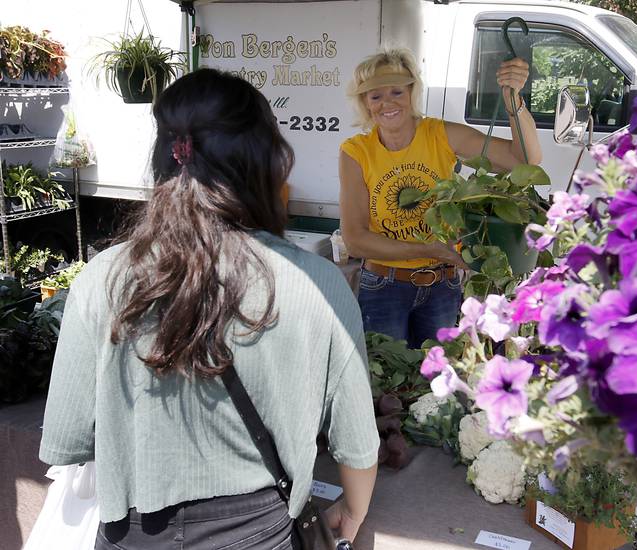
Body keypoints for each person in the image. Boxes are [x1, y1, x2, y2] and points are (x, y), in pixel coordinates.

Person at [39, 68, 379, 549]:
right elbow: (357, 442)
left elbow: (68, 435)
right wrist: (353, 508)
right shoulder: (316, 282)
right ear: (265, 161)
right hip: (260, 532)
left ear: (166, 156)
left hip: (131, 534)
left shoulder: (105, 275)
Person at [339, 48, 542, 349]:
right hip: (383, 287)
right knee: (384, 388)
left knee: (434, 386)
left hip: (442, 286)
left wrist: (514, 100)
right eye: (375, 96)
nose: (387, 103)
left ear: (411, 92)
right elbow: (355, 239)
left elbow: (524, 160)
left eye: (396, 91)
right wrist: (430, 249)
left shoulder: (439, 134)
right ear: (365, 103)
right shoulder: (356, 152)